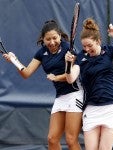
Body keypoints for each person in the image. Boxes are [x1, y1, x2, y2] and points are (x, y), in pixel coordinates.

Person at [3, 20, 83, 150]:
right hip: (61, 97)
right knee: (52, 139)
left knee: (71, 139)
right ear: (43, 39)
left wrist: (56, 77)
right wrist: (14, 60)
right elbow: (26, 73)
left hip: (75, 94)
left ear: (60, 36)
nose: (52, 42)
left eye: (54, 38)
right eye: (48, 39)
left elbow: (74, 75)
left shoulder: (68, 49)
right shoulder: (42, 53)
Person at [65, 18, 113, 150]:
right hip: (91, 109)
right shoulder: (81, 57)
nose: (87, 49)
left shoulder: (110, 52)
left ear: (98, 41)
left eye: (90, 45)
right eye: (84, 46)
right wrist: (68, 63)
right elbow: (70, 79)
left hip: (111, 108)